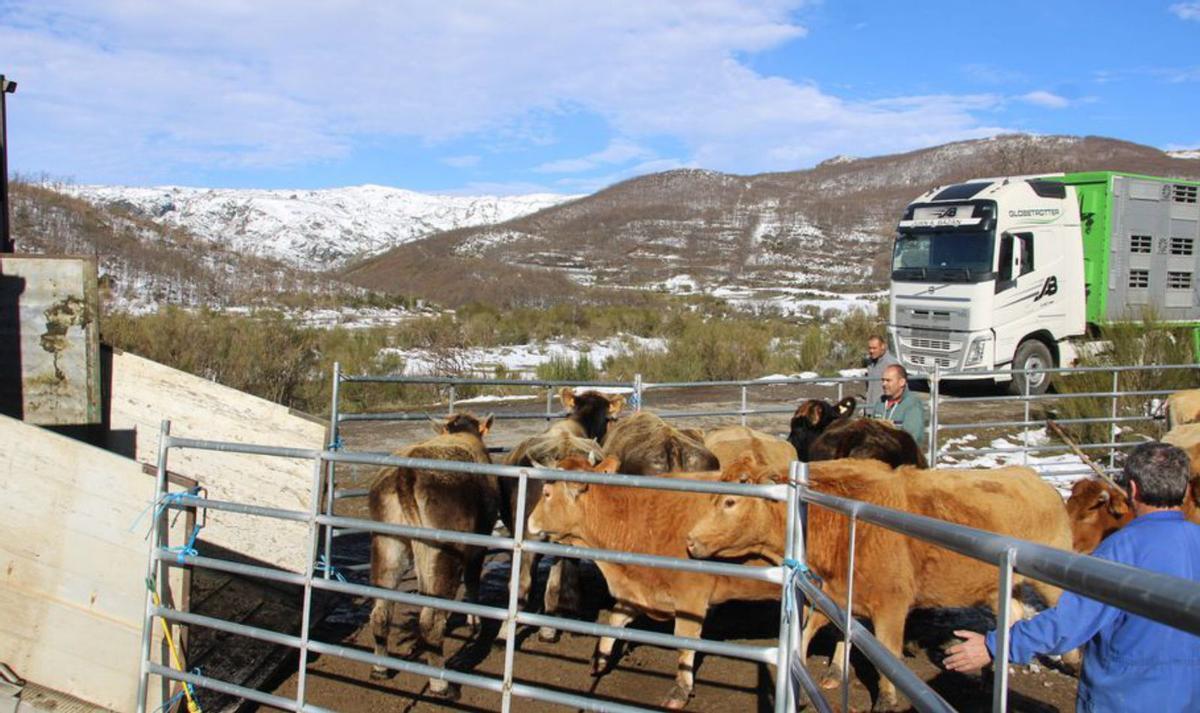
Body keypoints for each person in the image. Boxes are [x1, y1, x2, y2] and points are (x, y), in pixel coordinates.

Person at [944, 442, 1200, 712]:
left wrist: (996, 645)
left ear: (1132, 489)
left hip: (1126, 697)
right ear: (1184, 490)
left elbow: (1071, 621)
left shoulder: (1123, 548)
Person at [870, 364, 925, 445]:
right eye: (883, 380)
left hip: (901, 454)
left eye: (888, 380)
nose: (884, 384)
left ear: (901, 382)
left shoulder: (912, 404)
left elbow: (911, 439)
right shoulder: (880, 402)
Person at [864, 335, 899, 409]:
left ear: (883, 346)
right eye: (870, 348)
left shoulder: (891, 364)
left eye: (874, 348)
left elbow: (899, 389)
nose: (871, 351)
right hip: (870, 408)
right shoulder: (870, 362)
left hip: (884, 409)